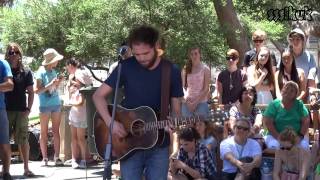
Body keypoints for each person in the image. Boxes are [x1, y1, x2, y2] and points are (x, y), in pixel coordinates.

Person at [92, 25, 183, 180]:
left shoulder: (171, 70)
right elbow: (98, 96)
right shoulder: (125, 67)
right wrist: (110, 122)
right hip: (128, 143)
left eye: (146, 53)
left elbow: (176, 110)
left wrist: (174, 121)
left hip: (159, 145)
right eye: (137, 54)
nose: (141, 58)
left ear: (157, 46)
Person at [4, 43, 35, 177]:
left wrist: (28, 109)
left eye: (16, 52)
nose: (14, 55)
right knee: (4, 141)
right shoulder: (4, 69)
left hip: (21, 110)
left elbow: (31, 92)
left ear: (20, 54)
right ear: (7, 54)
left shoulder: (26, 72)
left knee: (23, 140)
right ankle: (6, 170)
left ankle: (26, 168)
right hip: (5, 110)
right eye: (11, 52)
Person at [34, 48, 64, 166]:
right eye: (56, 60)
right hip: (45, 106)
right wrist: (50, 84)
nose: (57, 62)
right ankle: (45, 158)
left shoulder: (53, 71)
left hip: (55, 103)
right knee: (44, 131)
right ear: (51, 61)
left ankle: (57, 157)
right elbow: (37, 90)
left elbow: (53, 89)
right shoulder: (40, 72)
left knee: (56, 131)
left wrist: (58, 83)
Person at [263, 81, 309, 150]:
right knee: (275, 146)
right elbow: (268, 123)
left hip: (296, 137)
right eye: (286, 88)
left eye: (292, 90)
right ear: (282, 90)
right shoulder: (274, 104)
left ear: (295, 94)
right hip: (275, 136)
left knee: (303, 147)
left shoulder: (299, 104)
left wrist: (299, 137)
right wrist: (280, 138)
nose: (288, 91)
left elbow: (306, 121)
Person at [66, 58, 92, 169]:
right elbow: (69, 95)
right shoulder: (72, 84)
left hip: (81, 113)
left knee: (81, 138)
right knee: (74, 137)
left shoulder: (82, 88)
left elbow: (80, 102)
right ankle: (74, 159)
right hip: (73, 113)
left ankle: (84, 159)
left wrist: (71, 103)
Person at [181, 47, 211, 118]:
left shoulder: (205, 69)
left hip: (201, 102)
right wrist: (186, 100)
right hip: (187, 103)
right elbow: (182, 87)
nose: (194, 56)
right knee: (188, 128)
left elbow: (206, 89)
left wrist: (195, 103)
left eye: (196, 53)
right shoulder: (185, 69)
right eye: (192, 54)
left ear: (200, 54)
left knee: (201, 127)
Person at [0, 52, 14, 180]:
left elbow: (10, 85)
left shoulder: (3, 64)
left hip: (0, 109)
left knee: (4, 142)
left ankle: (6, 172)